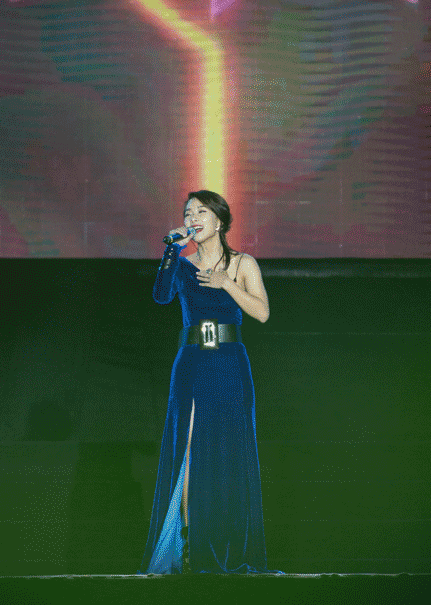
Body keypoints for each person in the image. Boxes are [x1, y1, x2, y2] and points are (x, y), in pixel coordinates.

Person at [136, 190, 283, 575]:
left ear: (219, 221)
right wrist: (171, 251)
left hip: (229, 362)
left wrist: (226, 283)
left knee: (227, 450)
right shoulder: (182, 265)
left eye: (201, 212)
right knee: (188, 449)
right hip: (192, 362)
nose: (193, 218)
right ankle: (189, 541)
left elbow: (262, 312)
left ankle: (226, 542)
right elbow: (161, 296)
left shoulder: (243, 263)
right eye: (188, 213)